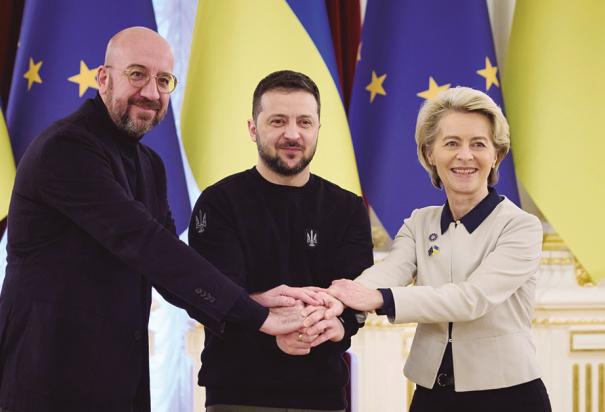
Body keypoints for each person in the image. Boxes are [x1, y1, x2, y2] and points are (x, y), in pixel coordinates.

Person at [0, 28, 317, 412]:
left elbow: (169, 268)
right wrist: (256, 316)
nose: (151, 92)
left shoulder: (150, 164)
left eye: (163, 80)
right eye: (137, 74)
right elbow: (147, 244)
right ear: (104, 78)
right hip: (49, 377)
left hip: (121, 380)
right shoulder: (66, 148)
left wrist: (247, 299)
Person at [328, 87, 552, 412]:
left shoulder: (520, 226)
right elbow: (389, 271)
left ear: (496, 155)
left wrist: (380, 298)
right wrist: (333, 302)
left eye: (478, 144)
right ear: (430, 153)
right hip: (432, 394)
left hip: (510, 396)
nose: (465, 156)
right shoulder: (420, 222)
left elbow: (470, 299)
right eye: (451, 143)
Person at [188, 70, 374, 412]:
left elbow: (356, 298)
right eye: (278, 121)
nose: (293, 134)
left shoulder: (347, 208)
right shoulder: (218, 203)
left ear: (319, 129)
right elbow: (208, 297)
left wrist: (334, 323)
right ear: (252, 128)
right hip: (238, 396)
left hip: (323, 397)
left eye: (305, 122)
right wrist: (265, 316)